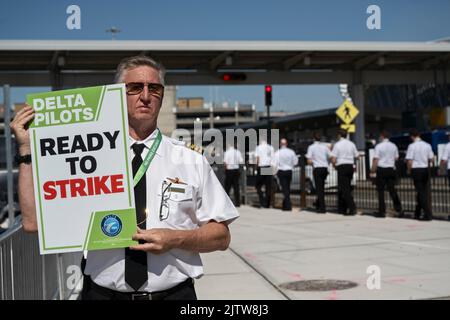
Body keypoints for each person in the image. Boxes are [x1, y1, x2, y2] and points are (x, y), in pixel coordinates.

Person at [10, 55, 239, 300]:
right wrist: (26, 151)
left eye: (154, 88)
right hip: (103, 295)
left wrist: (176, 239)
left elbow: (222, 236)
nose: (146, 95)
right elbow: (32, 223)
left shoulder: (190, 160)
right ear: (117, 95)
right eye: (135, 87)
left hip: (173, 295)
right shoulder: (84, 156)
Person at [370, 130, 403, 218]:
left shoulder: (379, 146)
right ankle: (398, 208)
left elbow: (376, 160)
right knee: (392, 190)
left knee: (380, 191)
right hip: (391, 169)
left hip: (381, 170)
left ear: (382, 136)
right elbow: (396, 158)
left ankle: (382, 211)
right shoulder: (394, 146)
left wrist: (372, 170)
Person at [406, 129, 434, 221]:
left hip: (416, 169)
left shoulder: (412, 146)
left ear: (412, 136)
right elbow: (431, 158)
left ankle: (427, 214)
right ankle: (417, 213)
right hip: (425, 169)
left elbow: (409, 160)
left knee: (421, 192)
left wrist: (409, 170)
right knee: (422, 191)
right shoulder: (427, 145)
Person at [330, 129, 359, 216]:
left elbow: (333, 159)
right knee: (347, 187)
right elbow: (357, 156)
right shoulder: (352, 144)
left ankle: (352, 207)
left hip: (341, 166)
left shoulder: (337, 145)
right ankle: (343, 208)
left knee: (343, 189)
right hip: (350, 166)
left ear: (339, 135)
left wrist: (334, 165)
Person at [305, 132, 331, 213]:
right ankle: (318, 204)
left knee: (319, 189)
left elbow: (309, 161)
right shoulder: (325, 147)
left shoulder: (311, 147)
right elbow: (330, 157)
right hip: (325, 168)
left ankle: (322, 208)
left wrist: (313, 162)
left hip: (317, 168)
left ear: (313, 138)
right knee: (322, 187)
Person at [273, 138, 298, 211]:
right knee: (287, 187)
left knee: (284, 188)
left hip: (281, 171)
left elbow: (274, 163)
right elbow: (295, 162)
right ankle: (285, 205)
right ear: (286, 144)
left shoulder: (277, 152)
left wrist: (274, 173)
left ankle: (288, 206)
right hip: (289, 171)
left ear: (280, 144)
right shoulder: (291, 152)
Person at [254, 139, 275, 208]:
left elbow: (257, 158)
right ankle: (267, 203)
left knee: (258, 185)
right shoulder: (270, 147)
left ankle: (262, 201)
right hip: (268, 167)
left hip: (261, 166)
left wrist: (256, 168)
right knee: (268, 186)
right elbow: (273, 158)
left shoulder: (258, 147)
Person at [223, 142, 244, 207]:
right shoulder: (238, 152)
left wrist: (225, 170)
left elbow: (225, 162)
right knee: (236, 187)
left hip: (229, 170)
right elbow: (241, 161)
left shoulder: (227, 152)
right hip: (236, 170)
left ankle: (226, 203)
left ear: (229, 145)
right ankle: (237, 203)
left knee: (227, 187)